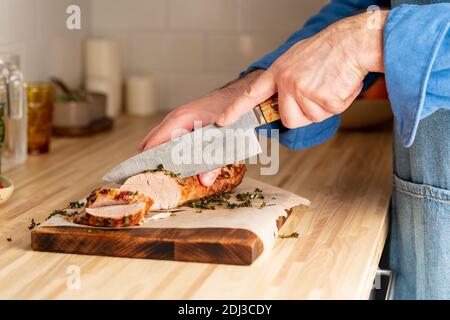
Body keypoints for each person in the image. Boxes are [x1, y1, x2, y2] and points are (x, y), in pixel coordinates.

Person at [139, 0, 450, 300]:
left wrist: (368, 37)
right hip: (423, 229)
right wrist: (240, 98)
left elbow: (364, 28)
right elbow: (365, 5)